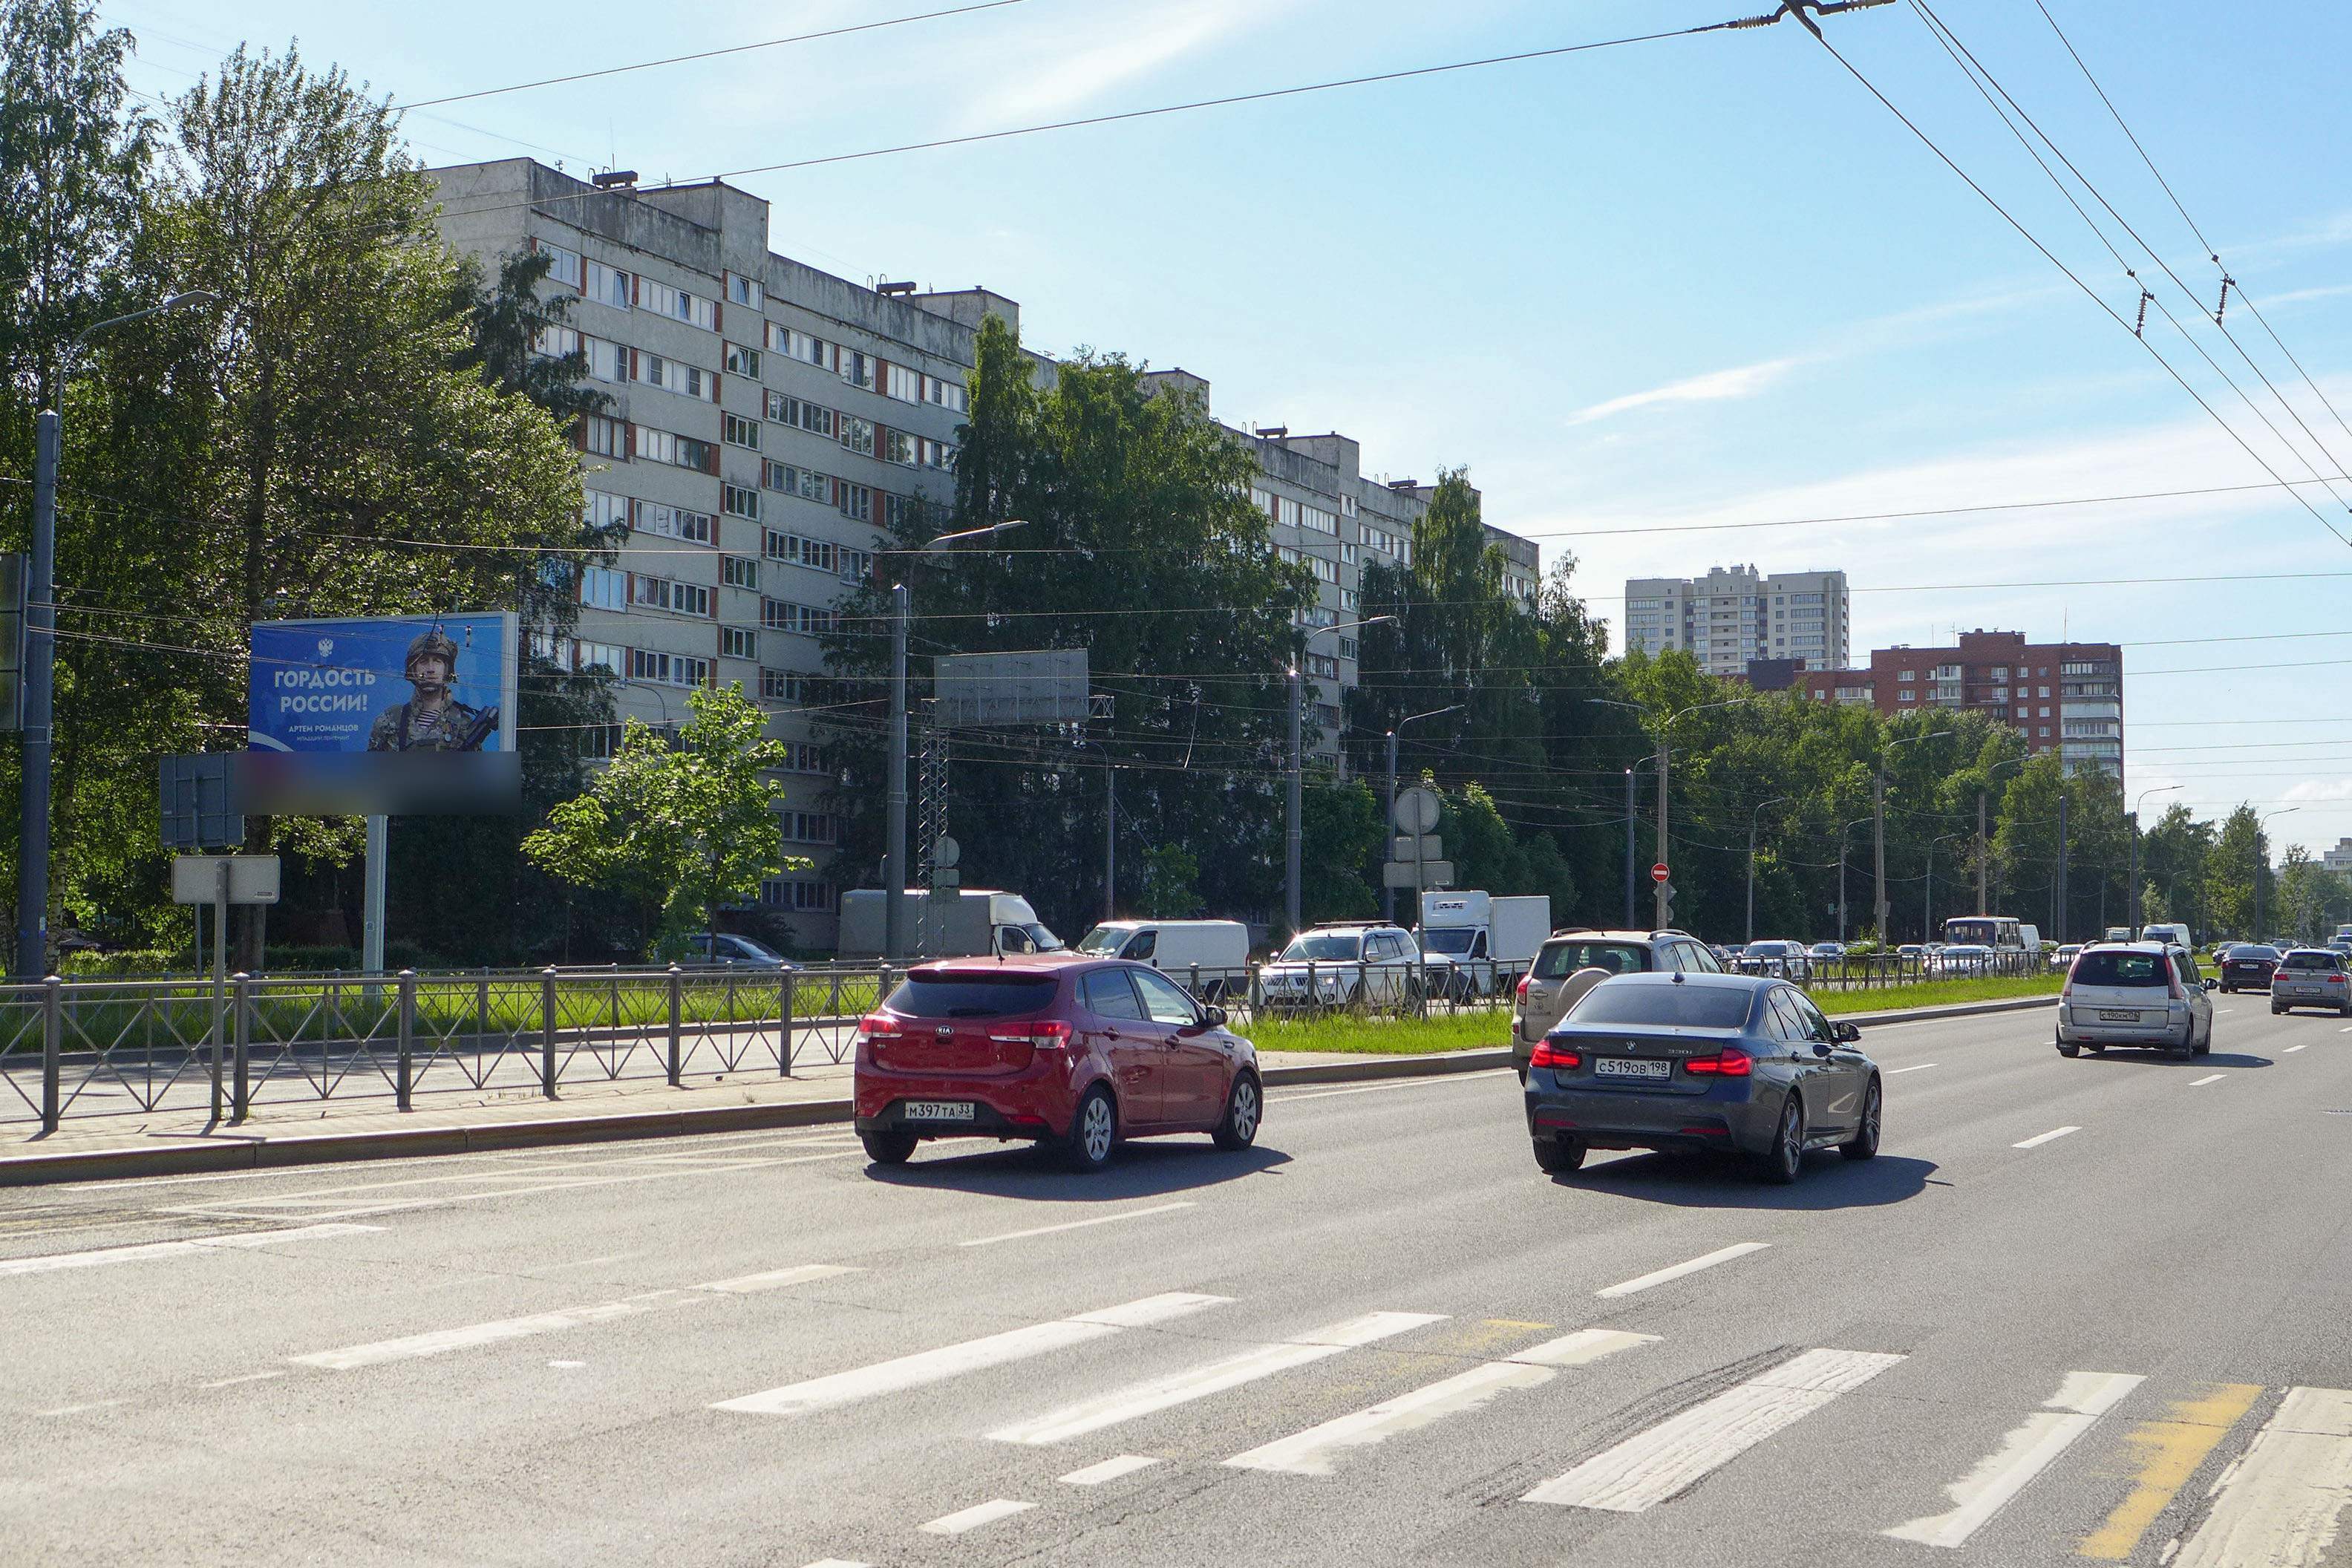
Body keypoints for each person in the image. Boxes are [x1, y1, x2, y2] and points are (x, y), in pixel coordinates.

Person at [366, 628, 498, 751]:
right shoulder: (391, 720)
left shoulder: (463, 724)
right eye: (423, 661)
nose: (430, 668)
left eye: (437, 661)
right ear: (413, 669)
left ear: (447, 670)